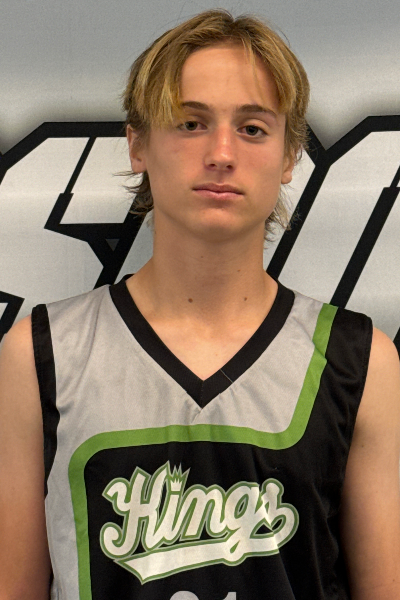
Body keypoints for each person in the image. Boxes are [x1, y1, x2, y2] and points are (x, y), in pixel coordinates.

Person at [0, 9, 399, 600]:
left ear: (290, 156)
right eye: (190, 123)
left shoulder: (360, 361)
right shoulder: (39, 355)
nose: (221, 152)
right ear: (138, 144)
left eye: (253, 128)